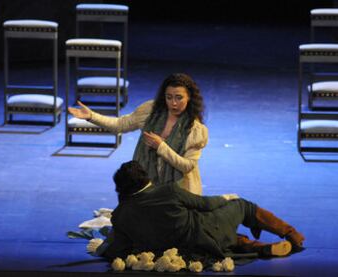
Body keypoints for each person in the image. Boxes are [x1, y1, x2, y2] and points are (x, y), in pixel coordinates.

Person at [96, 161, 305, 260]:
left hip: (185, 251)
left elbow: (116, 249)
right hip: (205, 234)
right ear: (145, 178)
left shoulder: (120, 215)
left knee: (228, 238)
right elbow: (206, 204)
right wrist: (225, 198)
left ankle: (262, 249)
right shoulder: (168, 191)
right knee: (243, 206)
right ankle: (291, 234)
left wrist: (102, 248)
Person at [68, 73, 208, 195]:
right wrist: (91, 116)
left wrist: (161, 147)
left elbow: (187, 166)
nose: (174, 103)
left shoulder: (195, 129)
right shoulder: (149, 111)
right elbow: (120, 125)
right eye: (169, 97)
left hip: (180, 191)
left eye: (179, 98)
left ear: (189, 97)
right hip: (147, 186)